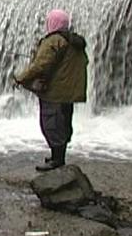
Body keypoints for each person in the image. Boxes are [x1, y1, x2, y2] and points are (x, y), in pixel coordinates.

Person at [13, 9, 88, 172]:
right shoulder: (75, 42)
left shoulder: (54, 41)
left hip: (55, 93)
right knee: (63, 125)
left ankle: (57, 160)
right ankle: (58, 157)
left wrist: (21, 78)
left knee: (51, 125)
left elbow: (41, 65)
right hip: (69, 93)